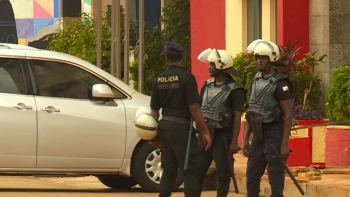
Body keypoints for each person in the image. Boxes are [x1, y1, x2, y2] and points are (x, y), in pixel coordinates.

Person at [150, 41, 212, 197]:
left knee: (169, 170)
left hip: (165, 128)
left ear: (167, 58)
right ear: (182, 58)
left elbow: (154, 111)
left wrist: (155, 134)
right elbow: (194, 108)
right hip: (182, 130)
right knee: (190, 170)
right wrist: (205, 131)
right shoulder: (187, 78)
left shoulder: (158, 79)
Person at [242, 39, 293, 197]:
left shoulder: (280, 83)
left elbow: (288, 113)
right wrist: (245, 140)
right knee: (252, 173)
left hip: (274, 132)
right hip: (258, 133)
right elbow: (252, 111)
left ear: (272, 59)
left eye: (263, 57)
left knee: (275, 173)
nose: (259, 60)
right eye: (257, 57)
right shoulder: (255, 79)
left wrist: (284, 144)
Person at [196, 48, 246, 197]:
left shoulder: (236, 90)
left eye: (212, 64)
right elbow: (199, 108)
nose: (208, 67)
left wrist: (234, 141)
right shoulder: (207, 85)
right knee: (197, 171)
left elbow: (237, 117)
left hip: (222, 135)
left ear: (221, 66)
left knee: (223, 173)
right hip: (204, 134)